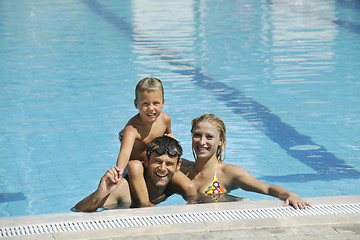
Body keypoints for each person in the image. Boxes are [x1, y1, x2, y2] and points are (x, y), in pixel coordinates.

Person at [180, 113, 311, 209]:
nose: (202, 142)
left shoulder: (229, 173)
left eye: (209, 137)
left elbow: (267, 188)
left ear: (221, 141)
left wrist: (291, 194)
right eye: (197, 135)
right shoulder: (182, 167)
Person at [116, 77, 194, 206]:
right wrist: (118, 170)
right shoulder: (132, 129)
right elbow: (124, 153)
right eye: (145, 104)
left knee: (190, 186)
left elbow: (169, 136)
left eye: (156, 103)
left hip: (157, 165)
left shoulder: (165, 119)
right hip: (138, 171)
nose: (151, 108)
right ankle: (145, 205)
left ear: (163, 103)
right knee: (134, 166)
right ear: (136, 104)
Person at [74, 136, 189, 212]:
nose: (163, 169)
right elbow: (78, 210)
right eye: (157, 162)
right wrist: (100, 193)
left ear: (178, 165)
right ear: (146, 161)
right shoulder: (125, 189)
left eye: (169, 164)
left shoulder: (175, 186)